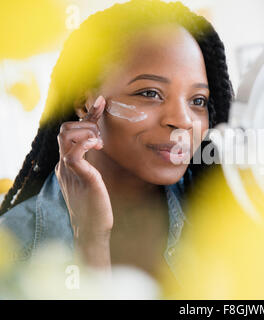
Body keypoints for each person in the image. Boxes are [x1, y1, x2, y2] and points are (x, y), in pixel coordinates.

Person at [0, 0, 233, 284]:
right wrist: (90, 239)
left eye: (198, 101)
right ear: (85, 102)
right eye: (150, 93)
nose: (183, 121)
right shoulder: (13, 245)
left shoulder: (225, 215)